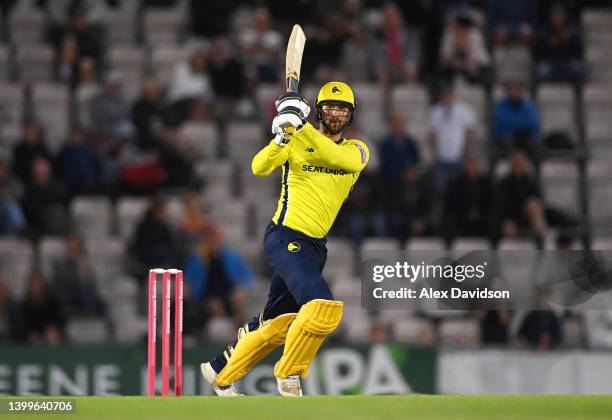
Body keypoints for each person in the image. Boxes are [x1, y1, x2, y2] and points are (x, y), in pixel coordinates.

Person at [200, 82, 369, 397]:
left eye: (342, 109)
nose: (336, 113)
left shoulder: (356, 150)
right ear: (319, 109)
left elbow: (335, 158)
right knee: (322, 306)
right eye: (330, 106)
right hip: (285, 237)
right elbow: (259, 166)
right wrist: (281, 137)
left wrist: (300, 125)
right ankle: (289, 373)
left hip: (316, 248)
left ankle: (221, 373)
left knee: (278, 323)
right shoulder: (294, 140)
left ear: (350, 116)